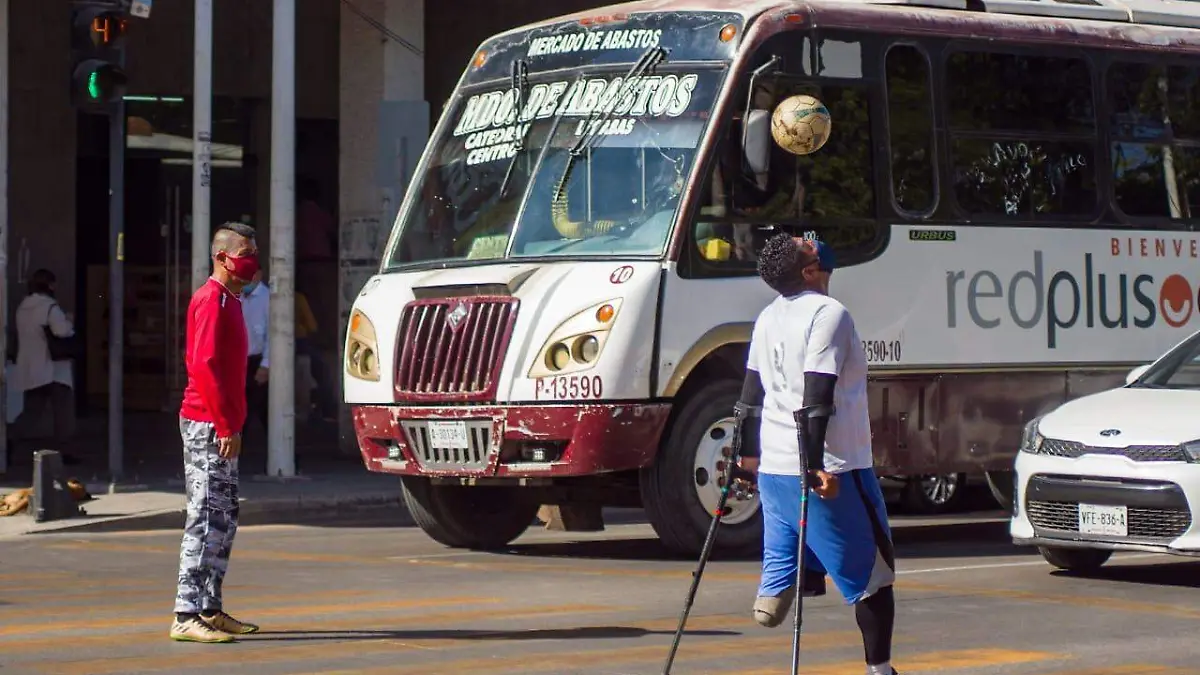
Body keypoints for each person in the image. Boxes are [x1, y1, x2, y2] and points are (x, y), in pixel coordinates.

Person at [735, 234, 899, 675]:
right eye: (804, 244)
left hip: (774, 469)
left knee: (788, 541)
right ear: (810, 271)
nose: (811, 238)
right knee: (875, 580)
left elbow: (750, 397)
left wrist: (747, 457)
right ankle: (881, 671)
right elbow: (817, 395)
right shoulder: (830, 314)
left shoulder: (768, 316)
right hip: (830, 467)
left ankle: (780, 588)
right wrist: (816, 466)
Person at [170, 222, 261, 643]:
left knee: (224, 518)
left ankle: (210, 607)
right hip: (207, 423)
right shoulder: (210, 300)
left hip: (224, 424)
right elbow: (203, 366)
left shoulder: (232, 300)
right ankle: (185, 613)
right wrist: (224, 424)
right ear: (222, 257)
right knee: (205, 515)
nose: (252, 260)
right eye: (245, 252)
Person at [12, 269, 77, 464]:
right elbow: (62, 331)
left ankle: (9, 440)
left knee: (31, 412)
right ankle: (64, 452)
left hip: (32, 367)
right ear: (49, 285)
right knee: (63, 412)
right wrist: (69, 321)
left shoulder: (22, 307)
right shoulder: (50, 307)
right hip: (54, 368)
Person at [240, 268, 270, 438]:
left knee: (264, 408)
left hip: (258, 361)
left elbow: (273, 336)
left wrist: (266, 365)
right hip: (240, 361)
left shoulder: (268, 298)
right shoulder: (239, 296)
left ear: (258, 274)